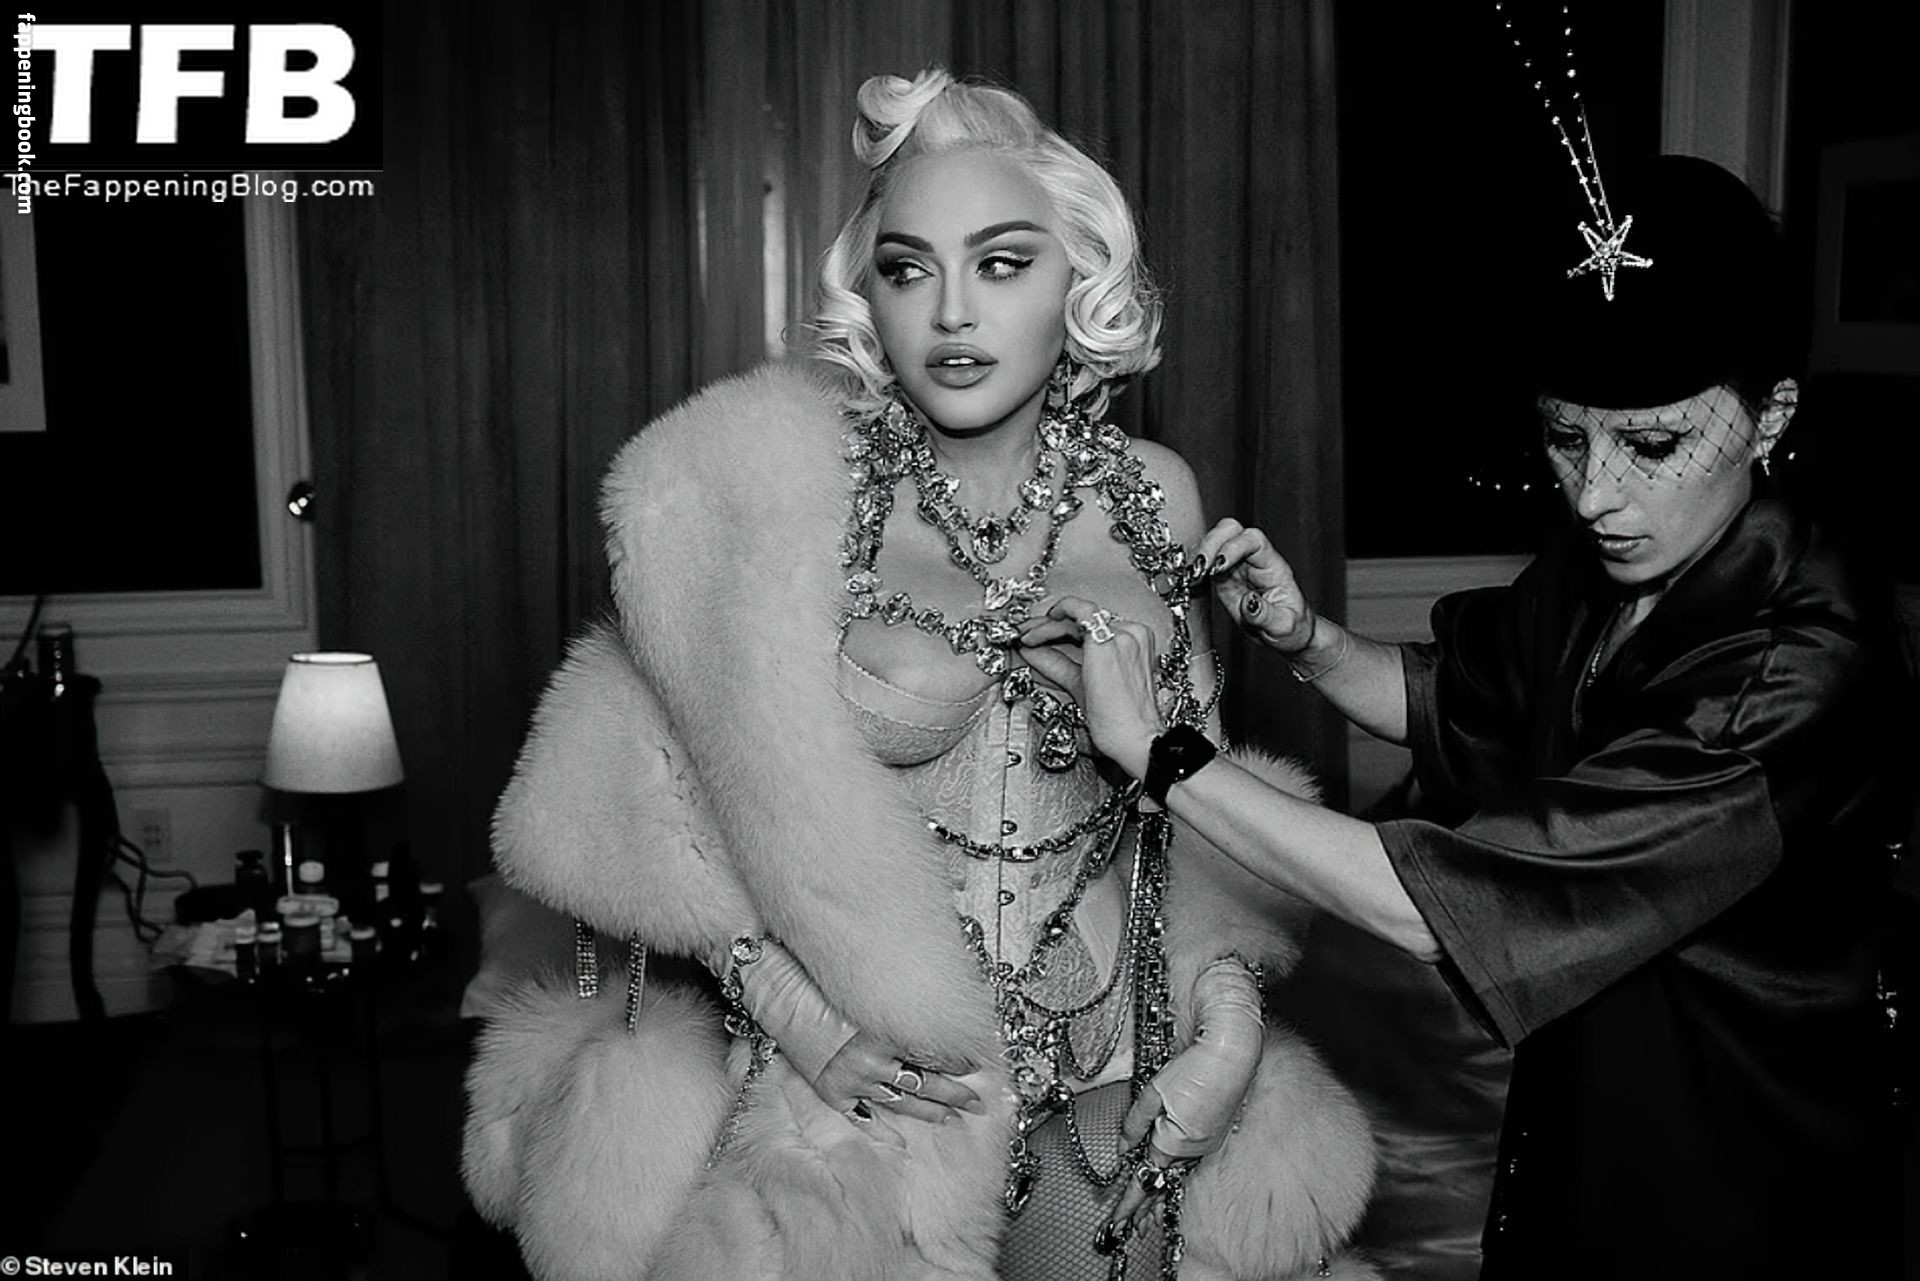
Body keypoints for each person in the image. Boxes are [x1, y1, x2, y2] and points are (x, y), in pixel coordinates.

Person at [462, 69, 1380, 1281]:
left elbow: (1195, 810)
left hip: (1114, 1051)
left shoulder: (1150, 492)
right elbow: (648, 814)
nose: (952, 313)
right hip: (864, 1089)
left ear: (1079, 278)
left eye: (1001, 264)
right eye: (908, 269)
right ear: (870, 293)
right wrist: (805, 1023)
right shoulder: (778, 497)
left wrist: (1230, 1029)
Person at [1023, 154, 1914, 1279]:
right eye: (1567, 436)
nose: (1596, 493)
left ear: (1772, 414)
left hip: (1734, 1159)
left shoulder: (1793, 666)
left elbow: (1434, 908)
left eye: (1653, 446)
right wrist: (1309, 638)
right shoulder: (1628, 560)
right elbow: (1461, 694)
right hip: (1588, 1103)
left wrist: (1159, 754)